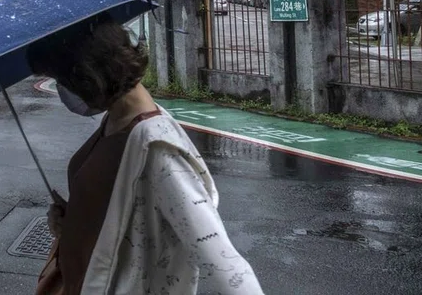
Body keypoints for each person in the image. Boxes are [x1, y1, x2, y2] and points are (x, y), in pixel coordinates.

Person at [28, 15, 263, 295]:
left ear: (87, 73)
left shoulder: (155, 146)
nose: (63, 91)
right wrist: (71, 220)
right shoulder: (115, 120)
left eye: (62, 79)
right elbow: (116, 214)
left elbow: (224, 262)